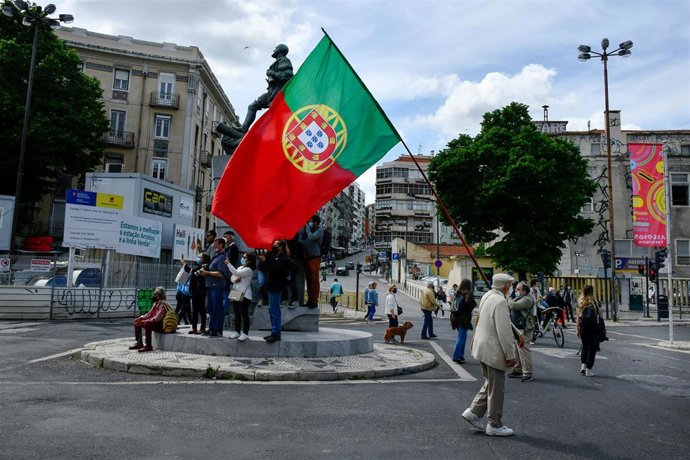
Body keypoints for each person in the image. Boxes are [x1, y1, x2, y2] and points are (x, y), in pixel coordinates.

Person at [462, 273, 523, 437]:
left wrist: (518, 334)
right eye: (509, 285)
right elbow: (503, 331)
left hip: (482, 347)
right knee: (497, 389)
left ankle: (474, 412)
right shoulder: (501, 301)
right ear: (505, 286)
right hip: (493, 350)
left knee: (491, 383)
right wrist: (510, 355)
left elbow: (502, 322)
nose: (510, 288)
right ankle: (494, 424)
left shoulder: (488, 296)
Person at [241, 44, 293, 131]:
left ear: (280, 50)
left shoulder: (284, 60)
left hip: (278, 94)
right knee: (253, 106)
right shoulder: (279, 61)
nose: (274, 50)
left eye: (276, 48)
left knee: (276, 118)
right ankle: (244, 128)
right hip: (272, 92)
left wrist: (271, 73)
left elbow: (287, 76)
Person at [258, 240, 291, 343]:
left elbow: (274, 270)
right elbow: (264, 268)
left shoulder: (284, 259)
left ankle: (276, 333)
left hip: (277, 286)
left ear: (280, 247)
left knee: (275, 310)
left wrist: (265, 262)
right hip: (270, 286)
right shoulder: (272, 256)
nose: (273, 246)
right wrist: (263, 261)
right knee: (271, 310)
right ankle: (274, 331)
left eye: (275, 244)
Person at [507, 282, 536, 382]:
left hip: (525, 328)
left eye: (518, 290)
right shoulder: (521, 297)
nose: (516, 291)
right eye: (516, 289)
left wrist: (509, 297)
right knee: (517, 350)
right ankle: (518, 369)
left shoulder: (527, 299)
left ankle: (528, 373)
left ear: (524, 291)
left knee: (524, 350)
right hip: (517, 327)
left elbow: (513, 305)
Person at [199, 238, 228, 337]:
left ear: (221, 245)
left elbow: (220, 274)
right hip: (210, 286)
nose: (214, 246)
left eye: (216, 244)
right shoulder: (216, 256)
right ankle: (211, 328)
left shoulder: (222, 257)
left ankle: (218, 329)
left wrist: (207, 272)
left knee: (217, 308)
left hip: (217, 286)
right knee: (211, 308)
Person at [129, 287, 172, 352]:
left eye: (155, 294)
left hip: (163, 325)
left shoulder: (164, 305)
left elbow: (157, 318)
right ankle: (139, 343)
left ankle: (148, 345)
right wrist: (141, 318)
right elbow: (149, 314)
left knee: (147, 323)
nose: (153, 296)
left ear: (160, 295)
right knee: (138, 322)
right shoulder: (156, 304)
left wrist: (145, 321)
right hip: (157, 323)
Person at [226, 252, 256, 342]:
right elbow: (233, 278)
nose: (242, 258)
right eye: (243, 256)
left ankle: (245, 333)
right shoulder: (240, 267)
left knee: (244, 314)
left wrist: (228, 264)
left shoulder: (249, 270)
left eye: (244, 257)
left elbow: (236, 273)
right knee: (236, 313)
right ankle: (237, 331)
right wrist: (236, 278)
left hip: (245, 294)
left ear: (249, 260)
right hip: (236, 292)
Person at [577, 285, 602, 377]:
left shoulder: (581, 302)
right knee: (592, 349)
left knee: (584, 346)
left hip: (583, 327)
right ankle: (588, 369)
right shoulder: (595, 302)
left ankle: (583, 366)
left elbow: (578, 317)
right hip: (593, 328)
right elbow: (600, 314)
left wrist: (578, 329)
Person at [299, 215, 324, 309]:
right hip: (308, 256)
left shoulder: (319, 230)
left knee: (314, 279)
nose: (310, 223)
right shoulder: (307, 230)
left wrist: (306, 228)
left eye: (311, 221)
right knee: (309, 279)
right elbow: (302, 240)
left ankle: (314, 300)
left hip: (315, 257)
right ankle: (310, 299)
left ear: (316, 222)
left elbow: (311, 238)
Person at [451, 279, 476, 364]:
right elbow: (469, 307)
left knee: (463, 337)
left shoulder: (458, 293)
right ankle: (456, 356)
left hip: (456, 318)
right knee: (461, 338)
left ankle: (461, 355)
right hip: (464, 319)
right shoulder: (468, 294)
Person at [188, 254, 209, 334]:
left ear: (204, 259)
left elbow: (198, 274)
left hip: (201, 291)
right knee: (195, 310)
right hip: (194, 292)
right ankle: (194, 328)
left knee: (202, 310)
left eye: (200, 257)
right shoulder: (197, 268)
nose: (198, 258)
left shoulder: (205, 267)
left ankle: (202, 328)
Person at [174, 260, 192, 327]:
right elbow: (185, 287)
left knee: (185, 309)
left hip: (181, 294)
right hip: (184, 294)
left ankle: (188, 321)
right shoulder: (185, 275)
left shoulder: (182, 275)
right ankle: (177, 320)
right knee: (183, 308)